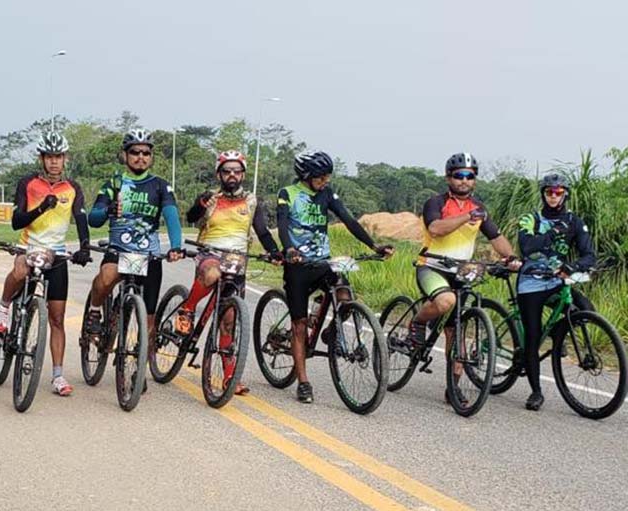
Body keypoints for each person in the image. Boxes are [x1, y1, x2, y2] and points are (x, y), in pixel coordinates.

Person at [277, 151, 393, 404]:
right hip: (298, 265)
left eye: (328, 176)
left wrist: (374, 246)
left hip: (323, 262)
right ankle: (304, 382)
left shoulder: (327, 195)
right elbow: (283, 225)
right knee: (299, 325)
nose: (325, 181)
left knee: (344, 294)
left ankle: (331, 330)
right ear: (306, 176)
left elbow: (349, 220)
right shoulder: (288, 194)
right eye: (321, 177)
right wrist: (289, 249)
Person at [409, 153, 520, 402]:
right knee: (445, 301)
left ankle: (453, 387)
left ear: (475, 180)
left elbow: (496, 238)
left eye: (469, 176)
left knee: (457, 331)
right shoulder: (435, 202)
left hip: (461, 272)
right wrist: (467, 217)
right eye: (459, 175)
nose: (464, 180)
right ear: (449, 178)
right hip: (432, 266)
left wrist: (511, 258)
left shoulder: (480, 209)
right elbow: (436, 229)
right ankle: (417, 322)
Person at [0, 132, 91, 396]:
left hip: (56, 254)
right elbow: (16, 221)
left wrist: (83, 247)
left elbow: (80, 218)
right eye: (50, 157)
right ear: (42, 159)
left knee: (56, 317)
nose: (54, 162)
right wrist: (42, 209)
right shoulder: (28, 183)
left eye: (59, 157)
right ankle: (3, 306)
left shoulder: (72, 188)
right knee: (20, 269)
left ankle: (57, 375)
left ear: (65, 159)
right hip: (29, 247)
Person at [177, 150, 281, 395]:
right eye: (226, 171)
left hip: (236, 261)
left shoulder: (252, 201)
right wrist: (199, 205)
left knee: (229, 321)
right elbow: (191, 217)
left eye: (236, 171)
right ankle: (188, 307)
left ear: (243, 174)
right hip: (209, 253)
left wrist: (275, 252)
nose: (232, 175)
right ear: (219, 174)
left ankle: (229, 377)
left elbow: (262, 231)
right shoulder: (210, 198)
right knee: (211, 275)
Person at [85, 129, 184, 365]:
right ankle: (95, 311)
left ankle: (142, 364)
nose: (141, 157)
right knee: (106, 276)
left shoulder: (160, 186)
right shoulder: (115, 184)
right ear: (125, 155)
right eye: (135, 152)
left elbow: (171, 217)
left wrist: (176, 245)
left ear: (151, 157)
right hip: (119, 250)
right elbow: (94, 218)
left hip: (149, 255)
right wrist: (107, 211)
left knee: (148, 318)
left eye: (146, 153)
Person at [515, 172, 596, 411]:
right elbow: (527, 247)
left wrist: (573, 267)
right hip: (531, 283)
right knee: (532, 335)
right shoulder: (531, 219)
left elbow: (589, 253)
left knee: (586, 310)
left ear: (565, 194)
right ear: (543, 194)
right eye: (549, 192)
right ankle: (536, 392)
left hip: (558, 281)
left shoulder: (574, 221)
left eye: (558, 192)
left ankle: (558, 334)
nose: (553, 196)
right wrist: (552, 232)